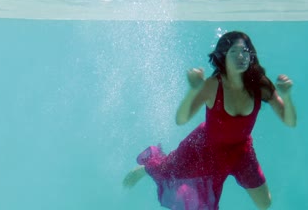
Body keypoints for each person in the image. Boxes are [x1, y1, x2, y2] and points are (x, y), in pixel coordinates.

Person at [123, 31, 297, 210]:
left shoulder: (260, 85)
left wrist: (287, 97)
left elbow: (290, 121)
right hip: (205, 149)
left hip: (241, 151)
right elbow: (181, 119)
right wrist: (193, 90)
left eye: (245, 51)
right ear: (223, 56)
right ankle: (146, 169)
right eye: (234, 52)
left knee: (264, 203)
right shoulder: (213, 85)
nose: (240, 56)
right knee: (168, 172)